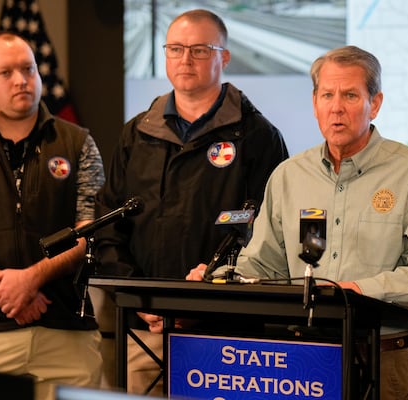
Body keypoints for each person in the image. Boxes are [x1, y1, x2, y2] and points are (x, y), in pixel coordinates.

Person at [188, 45, 408, 400]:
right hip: (298, 357)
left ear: (374, 104)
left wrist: (359, 292)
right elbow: (263, 263)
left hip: (378, 355)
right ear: (315, 102)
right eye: (327, 95)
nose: (336, 107)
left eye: (350, 95)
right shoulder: (289, 175)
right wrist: (219, 278)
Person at [93, 9, 288, 396]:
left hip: (229, 336)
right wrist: (143, 301)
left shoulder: (258, 136)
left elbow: (273, 237)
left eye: (200, 50)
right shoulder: (136, 134)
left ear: (224, 57)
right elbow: (109, 226)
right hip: (145, 332)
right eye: (176, 49)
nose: (185, 60)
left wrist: (204, 300)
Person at [0, 32, 104, 400]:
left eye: (28, 69)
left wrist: (32, 278)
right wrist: (9, 289)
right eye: (5, 72)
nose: (21, 80)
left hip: (67, 330)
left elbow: (93, 230)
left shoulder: (78, 142)